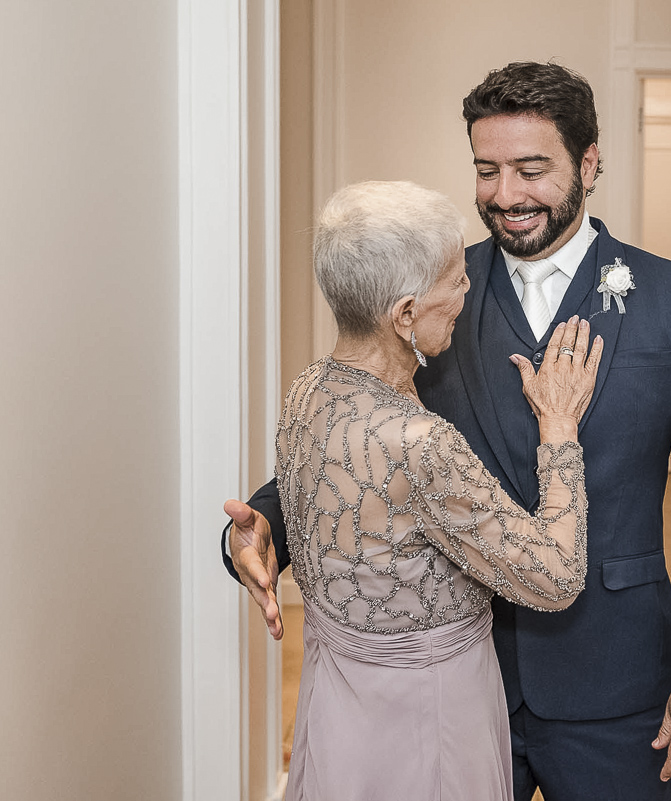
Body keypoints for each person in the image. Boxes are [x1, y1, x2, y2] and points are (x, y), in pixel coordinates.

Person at [224, 62, 671, 800]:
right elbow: (368, 436)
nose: (505, 196)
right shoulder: (434, 286)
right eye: (487, 170)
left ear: (590, 161)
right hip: (464, 686)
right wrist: (268, 526)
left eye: (531, 170)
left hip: (616, 679)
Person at [242, 179, 604, 801]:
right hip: (428, 719)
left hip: (339, 707)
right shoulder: (418, 441)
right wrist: (560, 431)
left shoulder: (307, 392)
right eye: (456, 279)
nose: (469, 290)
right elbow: (555, 574)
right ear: (405, 313)